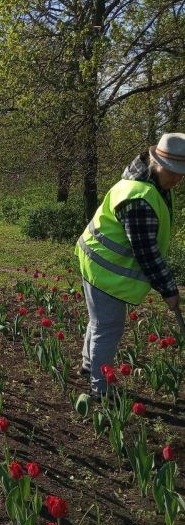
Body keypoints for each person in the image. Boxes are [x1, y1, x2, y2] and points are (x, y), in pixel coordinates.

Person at [76, 132, 185, 398]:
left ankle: (89, 367)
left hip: (95, 256)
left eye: (182, 173)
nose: (178, 178)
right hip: (104, 268)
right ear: (157, 162)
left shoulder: (149, 182)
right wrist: (169, 291)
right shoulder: (139, 198)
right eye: (174, 171)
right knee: (108, 325)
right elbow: (147, 253)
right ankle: (100, 389)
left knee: (99, 320)